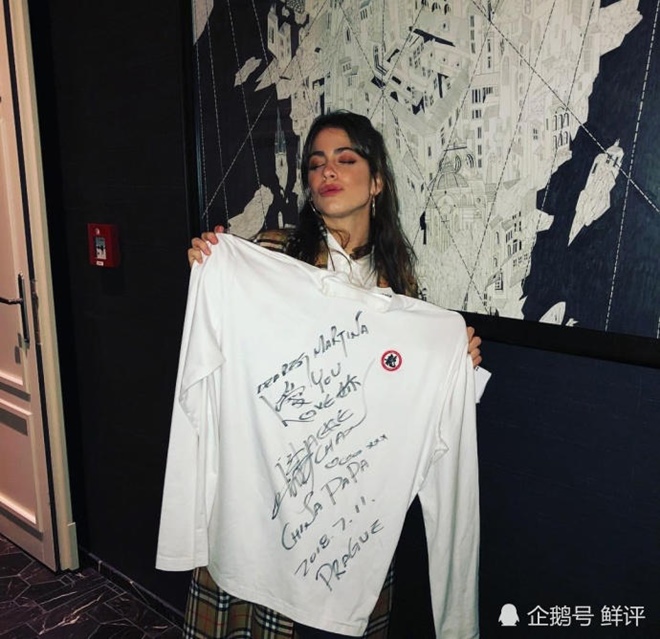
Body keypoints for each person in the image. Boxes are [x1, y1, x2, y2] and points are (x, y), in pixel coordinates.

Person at [184, 110, 482, 638]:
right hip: (264, 495)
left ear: (377, 181)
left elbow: (399, 403)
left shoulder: (399, 287)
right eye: (317, 163)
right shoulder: (273, 254)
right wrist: (212, 266)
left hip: (345, 515)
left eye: (346, 159)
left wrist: (458, 371)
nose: (328, 171)